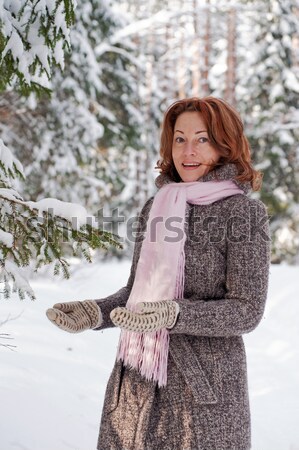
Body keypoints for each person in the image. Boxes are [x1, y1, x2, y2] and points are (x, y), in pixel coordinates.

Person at [46, 96, 271, 450]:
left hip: (201, 390)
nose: (188, 151)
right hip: (137, 382)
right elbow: (138, 293)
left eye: (202, 138)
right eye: (179, 138)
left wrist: (175, 314)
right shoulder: (157, 206)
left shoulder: (242, 214)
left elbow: (246, 310)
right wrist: (96, 312)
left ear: (225, 144)